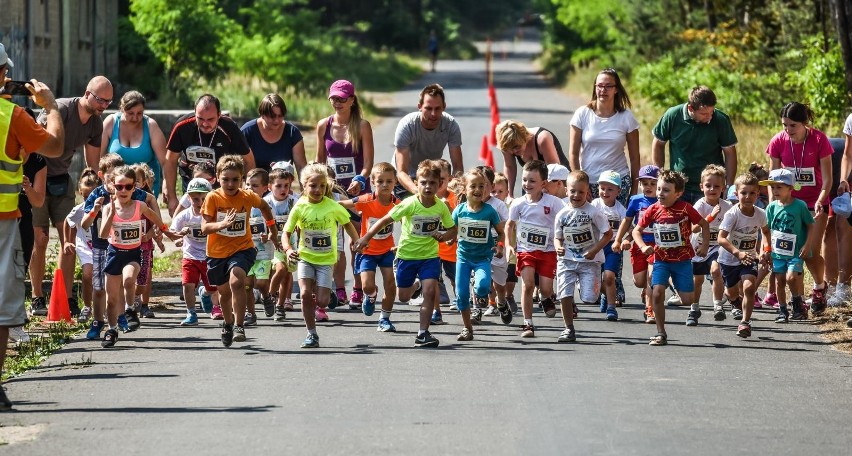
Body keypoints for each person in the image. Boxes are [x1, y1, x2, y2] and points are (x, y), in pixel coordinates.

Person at [0, 43, 65, 409]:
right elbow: (54, 145)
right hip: (4, 222)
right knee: (4, 307)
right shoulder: (11, 115)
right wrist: (52, 106)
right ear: (2, 74)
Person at [30, 75, 111, 317]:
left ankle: (65, 297)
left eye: (108, 102)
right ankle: (37, 297)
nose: (103, 106)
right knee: (41, 239)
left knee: (69, 241)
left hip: (62, 180)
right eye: (100, 100)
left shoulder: (96, 123)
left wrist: (100, 186)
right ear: (87, 93)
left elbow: (94, 162)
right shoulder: (62, 110)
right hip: (38, 176)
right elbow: (35, 140)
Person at [354, 160, 456, 348]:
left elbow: (452, 229)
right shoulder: (409, 204)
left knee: (430, 291)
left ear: (440, 185)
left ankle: (423, 333)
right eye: (423, 182)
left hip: (430, 257)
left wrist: (443, 236)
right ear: (416, 183)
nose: (427, 187)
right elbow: (385, 220)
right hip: (407, 257)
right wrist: (366, 237)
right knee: (403, 297)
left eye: (432, 183)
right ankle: (415, 284)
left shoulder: (441, 207)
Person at [201, 155, 280, 347]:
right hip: (217, 252)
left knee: (237, 280)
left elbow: (264, 207)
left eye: (235, 179)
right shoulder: (213, 197)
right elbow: (204, 228)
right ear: (217, 177)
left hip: (242, 248)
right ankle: (227, 323)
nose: (230, 183)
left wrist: (273, 230)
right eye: (226, 179)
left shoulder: (247, 196)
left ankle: (238, 325)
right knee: (224, 293)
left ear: (242, 179)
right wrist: (222, 224)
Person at [95, 165, 175, 348]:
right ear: (113, 186)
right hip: (114, 254)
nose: (123, 191)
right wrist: (112, 214)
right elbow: (102, 234)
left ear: (134, 188)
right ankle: (112, 329)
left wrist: (168, 233)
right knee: (111, 299)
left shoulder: (140, 206)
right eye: (119, 187)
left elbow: (156, 219)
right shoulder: (108, 208)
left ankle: (130, 309)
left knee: (129, 279)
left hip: (133, 253)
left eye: (128, 187)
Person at [81, 154, 159, 337]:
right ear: (103, 176)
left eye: (126, 185)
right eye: (111, 180)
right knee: (100, 288)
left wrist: (157, 228)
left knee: (122, 283)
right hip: (101, 245)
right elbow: (85, 224)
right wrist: (94, 211)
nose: (120, 188)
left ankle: (121, 316)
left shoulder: (131, 191)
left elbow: (150, 200)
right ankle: (98, 321)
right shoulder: (97, 194)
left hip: (125, 246)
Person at [766, 102, 832, 314]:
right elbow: (772, 179)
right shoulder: (778, 141)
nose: (788, 130)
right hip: (788, 204)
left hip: (815, 204)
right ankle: (797, 300)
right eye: (785, 125)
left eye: (793, 125)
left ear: (804, 123)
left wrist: (821, 200)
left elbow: (828, 179)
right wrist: (773, 206)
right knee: (788, 251)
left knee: (810, 251)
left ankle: (820, 287)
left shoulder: (819, 139)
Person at [282, 163, 358, 348]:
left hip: (325, 260)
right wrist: (288, 250)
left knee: (322, 301)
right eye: (313, 186)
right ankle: (311, 333)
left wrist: (356, 240)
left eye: (322, 186)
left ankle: (327, 295)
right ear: (304, 186)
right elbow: (286, 232)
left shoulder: (332, 206)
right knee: (306, 294)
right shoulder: (300, 207)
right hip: (305, 257)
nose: (318, 190)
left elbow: (347, 223)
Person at [632, 170, 710, 346]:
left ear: (678, 193)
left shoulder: (685, 208)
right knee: (657, 293)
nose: (660, 193)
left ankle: (674, 285)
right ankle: (661, 333)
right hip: (661, 258)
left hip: (682, 261)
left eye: (666, 190)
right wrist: (643, 246)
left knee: (688, 300)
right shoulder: (653, 209)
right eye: (659, 189)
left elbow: (704, 224)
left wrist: (704, 245)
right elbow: (636, 230)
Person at [318, 80, 374, 307]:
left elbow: (368, 163)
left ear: (352, 100)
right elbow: (320, 161)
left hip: (357, 191)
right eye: (334, 98)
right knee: (335, 242)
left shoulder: (362, 125)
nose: (338, 103)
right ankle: (339, 289)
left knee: (355, 242)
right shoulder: (324, 125)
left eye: (342, 98)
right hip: (333, 192)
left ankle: (358, 289)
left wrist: (360, 179)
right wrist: (320, 185)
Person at [164, 94, 255, 215]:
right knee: (191, 223)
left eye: (210, 119)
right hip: (192, 181)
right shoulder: (182, 126)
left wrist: (247, 191)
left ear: (219, 114)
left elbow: (248, 160)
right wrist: (172, 197)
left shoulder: (229, 127)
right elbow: (170, 160)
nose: (205, 124)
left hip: (219, 184)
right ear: (195, 112)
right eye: (200, 119)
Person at [506, 159, 565, 338]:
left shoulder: (554, 203)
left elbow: (564, 219)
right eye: (524, 180)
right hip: (526, 250)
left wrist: (561, 240)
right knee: (528, 285)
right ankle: (527, 323)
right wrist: (510, 245)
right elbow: (510, 225)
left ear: (543, 183)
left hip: (547, 251)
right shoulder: (518, 203)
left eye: (532, 181)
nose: (527, 184)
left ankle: (546, 298)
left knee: (546, 288)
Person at [339, 162, 401, 332]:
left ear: (395, 182)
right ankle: (371, 295)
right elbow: (345, 204)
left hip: (388, 250)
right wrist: (327, 203)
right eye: (380, 181)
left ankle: (384, 318)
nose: (385, 185)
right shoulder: (366, 200)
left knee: (390, 283)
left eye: (389, 181)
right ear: (373, 182)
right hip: (367, 252)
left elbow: (407, 221)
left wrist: (403, 244)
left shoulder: (398, 204)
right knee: (367, 285)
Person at [651, 85, 738, 203]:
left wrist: (728, 186)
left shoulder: (721, 120)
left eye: (712, 112)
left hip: (710, 187)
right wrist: (659, 175)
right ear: (691, 108)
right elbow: (658, 143)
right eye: (704, 114)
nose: (710, 117)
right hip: (678, 185)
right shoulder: (673, 115)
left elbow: (730, 153)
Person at [553, 170, 612, 342]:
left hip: (590, 262)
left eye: (581, 192)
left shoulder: (594, 212)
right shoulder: (562, 214)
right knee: (564, 294)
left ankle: (588, 286)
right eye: (573, 191)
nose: (576, 195)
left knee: (589, 298)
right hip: (567, 261)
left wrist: (594, 250)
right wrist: (558, 247)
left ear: (587, 192)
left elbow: (607, 234)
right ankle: (568, 328)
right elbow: (558, 237)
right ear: (566, 191)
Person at [568, 68, 639, 201]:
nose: (603, 90)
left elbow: (635, 158)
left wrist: (634, 190)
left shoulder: (626, 117)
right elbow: (573, 154)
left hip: (618, 183)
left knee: (615, 222)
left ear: (616, 89)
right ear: (595, 88)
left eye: (608, 86)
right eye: (599, 86)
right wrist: (580, 184)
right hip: (589, 183)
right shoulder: (582, 114)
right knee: (588, 222)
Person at [451, 168, 505, 341]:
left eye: (481, 186)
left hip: (482, 258)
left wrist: (500, 246)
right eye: (473, 186)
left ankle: (481, 292)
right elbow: (452, 230)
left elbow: (501, 232)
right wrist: (448, 239)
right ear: (464, 189)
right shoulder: (459, 211)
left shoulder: (489, 211)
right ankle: (467, 328)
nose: (478, 190)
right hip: (463, 259)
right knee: (462, 295)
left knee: (482, 287)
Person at [717, 173, 772, 338]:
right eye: (744, 193)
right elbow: (721, 238)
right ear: (736, 194)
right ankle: (733, 300)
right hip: (729, 259)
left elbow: (766, 232)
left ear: (758, 194)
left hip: (748, 257)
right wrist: (737, 252)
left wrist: (766, 251)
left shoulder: (761, 213)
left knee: (749, 287)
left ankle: (745, 323)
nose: (748, 197)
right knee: (733, 292)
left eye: (752, 193)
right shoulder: (732, 215)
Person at [761, 168, 816, 323]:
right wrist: (766, 250)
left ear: (790, 188)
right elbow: (766, 230)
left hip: (795, 252)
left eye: (779, 187)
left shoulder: (799, 206)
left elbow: (811, 225)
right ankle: (783, 310)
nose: (775, 190)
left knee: (791, 278)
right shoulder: (771, 207)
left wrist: (807, 244)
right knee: (779, 280)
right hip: (778, 252)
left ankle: (798, 303)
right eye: (772, 187)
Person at [393, 83, 463, 198]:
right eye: (428, 108)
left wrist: (452, 187)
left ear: (444, 107)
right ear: (420, 106)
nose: (433, 114)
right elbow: (401, 172)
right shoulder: (407, 125)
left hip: (434, 178)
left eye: (437, 108)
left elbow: (458, 167)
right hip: (407, 179)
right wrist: (418, 192)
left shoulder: (450, 124)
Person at [100, 90, 167, 199]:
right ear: (122, 108)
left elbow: (165, 161)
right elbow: (100, 159)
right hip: (118, 187)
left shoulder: (151, 126)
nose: (135, 118)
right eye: (130, 113)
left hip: (144, 187)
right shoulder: (110, 123)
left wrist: (166, 185)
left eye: (139, 113)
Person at [613, 165, 659, 323]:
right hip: (640, 245)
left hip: (656, 247)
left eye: (653, 184)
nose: (648, 187)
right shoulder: (635, 200)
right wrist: (619, 239)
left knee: (651, 277)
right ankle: (645, 290)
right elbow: (627, 222)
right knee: (640, 281)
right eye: (645, 183)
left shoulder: (664, 201)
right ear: (640, 184)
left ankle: (650, 309)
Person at [689, 165, 732, 326]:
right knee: (697, 280)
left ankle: (718, 306)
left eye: (716, 186)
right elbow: (694, 228)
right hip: (698, 246)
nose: (712, 189)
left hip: (716, 246)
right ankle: (694, 308)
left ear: (723, 187)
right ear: (701, 187)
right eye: (708, 185)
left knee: (715, 270)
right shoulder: (700, 205)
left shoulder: (727, 206)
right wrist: (710, 217)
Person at [169, 177, 215, 326]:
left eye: (204, 198)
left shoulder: (213, 215)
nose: (200, 202)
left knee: (213, 287)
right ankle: (191, 313)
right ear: (189, 198)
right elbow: (172, 232)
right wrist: (179, 237)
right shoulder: (184, 216)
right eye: (196, 199)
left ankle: (205, 294)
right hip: (190, 255)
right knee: (187, 284)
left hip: (210, 255)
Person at [62, 169, 99, 324]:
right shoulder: (80, 209)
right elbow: (67, 221)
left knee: (105, 278)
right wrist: (67, 241)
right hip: (85, 246)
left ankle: (106, 308)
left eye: (91, 196)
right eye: (84, 196)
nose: (87, 199)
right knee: (87, 274)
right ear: (80, 192)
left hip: (103, 247)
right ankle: (87, 306)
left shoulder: (104, 207)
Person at [497, 119, 569, 197]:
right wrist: (509, 195)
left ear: (524, 138)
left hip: (557, 182)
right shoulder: (506, 145)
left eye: (517, 147)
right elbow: (510, 167)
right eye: (510, 149)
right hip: (533, 180)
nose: (514, 151)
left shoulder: (542, 138)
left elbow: (554, 172)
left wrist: (544, 195)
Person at [265, 163, 299, 319]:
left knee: (286, 276)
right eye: (278, 186)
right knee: (280, 269)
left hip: (292, 245)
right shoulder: (265, 203)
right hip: (274, 245)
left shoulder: (295, 201)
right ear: (270, 186)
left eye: (286, 185)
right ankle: (270, 296)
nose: (283, 189)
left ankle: (280, 305)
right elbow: (257, 222)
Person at [591, 170, 627, 319]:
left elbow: (630, 229)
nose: (605, 192)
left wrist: (626, 240)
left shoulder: (620, 210)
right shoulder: (595, 205)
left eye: (610, 189)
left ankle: (611, 308)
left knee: (609, 277)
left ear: (618, 191)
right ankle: (605, 294)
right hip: (596, 246)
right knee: (597, 279)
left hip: (612, 247)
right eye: (602, 188)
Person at [241, 93, 306, 173]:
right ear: (262, 115)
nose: (277, 120)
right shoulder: (247, 132)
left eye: (280, 116)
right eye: (272, 116)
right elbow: (238, 167)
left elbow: (301, 167)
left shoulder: (292, 133)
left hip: (282, 184)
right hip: (254, 183)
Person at [244, 168, 275, 325]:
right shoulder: (242, 203)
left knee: (261, 284)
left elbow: (275, 226)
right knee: (247, 285)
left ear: (266, 188)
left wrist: (269, 235)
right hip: (246, 251)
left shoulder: (269, 204)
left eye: (255, 186)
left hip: (263, 251)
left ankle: (267, 296)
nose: (250, 189)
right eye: (248, 184)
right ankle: (251, 314)